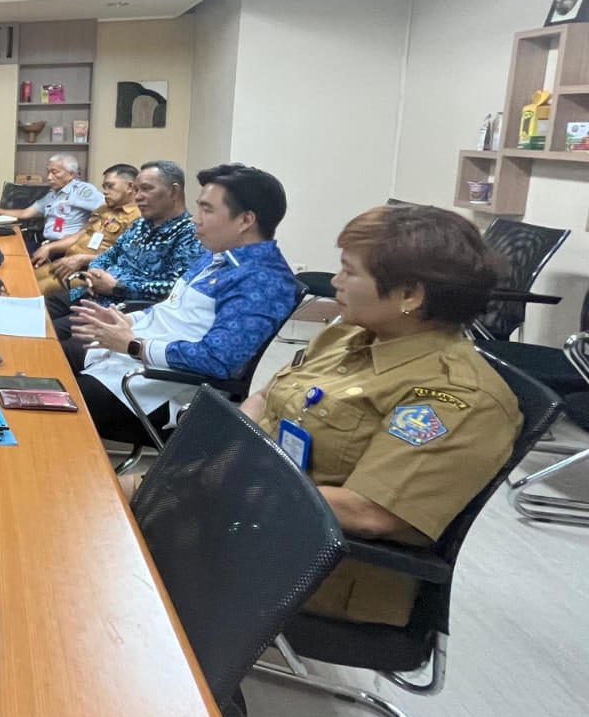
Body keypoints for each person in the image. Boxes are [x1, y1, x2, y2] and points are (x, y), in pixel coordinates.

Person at [126, 205, 521, 628]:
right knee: (93, 501)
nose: (335, 281)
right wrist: (207, 465)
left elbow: (368, 513)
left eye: (349, 271)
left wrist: (216, 485)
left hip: (304, 560)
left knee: (101, 552)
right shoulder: (348, 335)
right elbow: (267, 396)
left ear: (410, 295)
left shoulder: (455, 396)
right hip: (241, 512)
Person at [69, 163, 296, 446]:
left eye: (207, 210)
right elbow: (170, 308)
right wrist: (127, 321)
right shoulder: (216, 256)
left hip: (167, 390)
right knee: (50, 356)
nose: (196, 219)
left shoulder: (263, 280)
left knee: (53, 403)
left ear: (245, 220)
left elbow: (219, 361)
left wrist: (135, 345)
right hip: (136, 357)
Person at [47, 160, 204, 332]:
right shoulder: (140, 225)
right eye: (137, 190)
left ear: (174, 191)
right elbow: (110, 254)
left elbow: (177, 289)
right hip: (90, 292)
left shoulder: (189, 235)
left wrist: (118, 288)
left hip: (120, 309)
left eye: (146, 189)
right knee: (42, 307)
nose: (138, 197)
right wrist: (95, 270)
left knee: (49, 331)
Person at [33, 163, 141, 297]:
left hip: (91, 272)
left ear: (130, 186)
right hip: (68, 261)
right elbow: (82, 234)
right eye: (104, 187)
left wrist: (83, 259)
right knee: (26, 277)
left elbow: (127, 258)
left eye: (110, 186)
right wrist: (49, 247)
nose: (105, 191)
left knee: (33, 291)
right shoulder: (104, 209)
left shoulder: (137, 217)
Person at [10, 155, 104, 265]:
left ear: (71, 174)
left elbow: (107, 210)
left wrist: (84, 232)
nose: (49, 177)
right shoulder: (53, 194)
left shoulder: (81, 191)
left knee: (17, 263)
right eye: (48, 172)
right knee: (10, 251)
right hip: (47, 245)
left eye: (54, 172)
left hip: (66, 250)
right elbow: (26, 213)